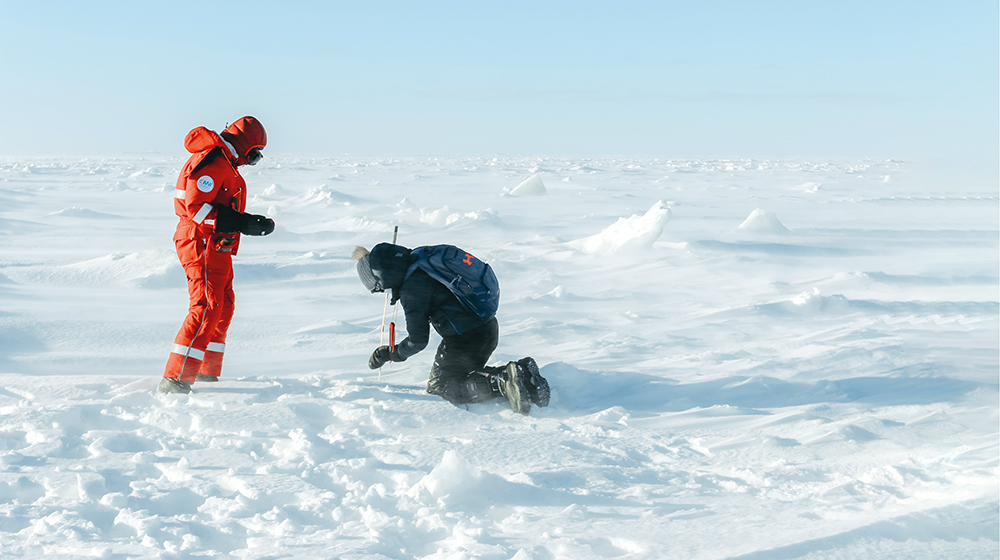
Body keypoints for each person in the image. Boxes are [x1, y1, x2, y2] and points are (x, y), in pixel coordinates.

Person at [352, 243, 549, 414]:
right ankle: (523, 374)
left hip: (465, 340)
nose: (383, 292)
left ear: (383, 274)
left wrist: (392, 353)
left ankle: (502, 380)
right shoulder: (421, 260)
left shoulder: (412, 289)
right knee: (458, 377)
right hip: (486, 327)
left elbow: (418, 340)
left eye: (378, 286)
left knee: (442, 389)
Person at [158, 116, 276, 394]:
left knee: (224, 304)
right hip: (200, 241)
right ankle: (176, 378)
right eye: (255, 154)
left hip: (218, 244)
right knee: (206, 305)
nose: (253, 161)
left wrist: (245, 222)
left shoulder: (227, 163)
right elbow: (196, 210)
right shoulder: (212, 162)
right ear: (245, 146)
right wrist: (241, 223)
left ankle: (204, 372)